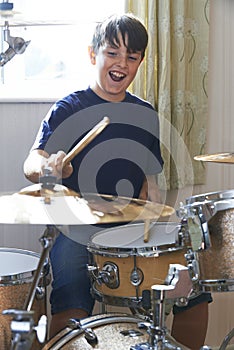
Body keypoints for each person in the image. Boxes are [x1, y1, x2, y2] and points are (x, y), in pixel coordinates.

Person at [23, 13, 211, 349]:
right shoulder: (69, 107)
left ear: (139, 62)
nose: (121, 62)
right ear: (93, 55)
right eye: (112, 52)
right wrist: (50, 166)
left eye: (132, 56)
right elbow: (31, 163)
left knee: (192, 287)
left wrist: (162, 223)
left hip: (130, 225)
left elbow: (148, 185)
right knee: (71, 298)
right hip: (77, 227)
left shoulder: (144, 114)